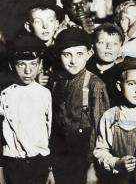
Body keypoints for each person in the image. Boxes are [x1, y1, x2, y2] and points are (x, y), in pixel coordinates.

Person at [51, 28, 110, 184]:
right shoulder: (57, 83)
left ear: (89, 54)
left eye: (79, 54)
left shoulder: (95, 85)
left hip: (85, 157)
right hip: (61, 156)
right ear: (59, 55)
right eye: (67, 54)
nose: (73, 61)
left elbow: (101, 128)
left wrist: (93, 166)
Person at [0, 35, 54, 184]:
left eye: (33, 64)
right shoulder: (4, 95)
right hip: (13, 163)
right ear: (12, 65)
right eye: (21, 64)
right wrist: (0, 169)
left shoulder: (45, 94)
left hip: (40, 163)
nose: (28, 71)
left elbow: (50, 133)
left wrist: (50, 168)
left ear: (40, 64)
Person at [93, 56, 136, 184]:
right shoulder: (110, 116)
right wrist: (116, 162)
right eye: (131, 84)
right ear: (119, 86)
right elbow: (100, 150)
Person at [86, 23, 125, 107]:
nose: (108, 47)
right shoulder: (85, 70)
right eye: (102, 42)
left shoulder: (122, 75)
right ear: (93, 47)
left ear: (121, 49)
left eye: (114, 43)